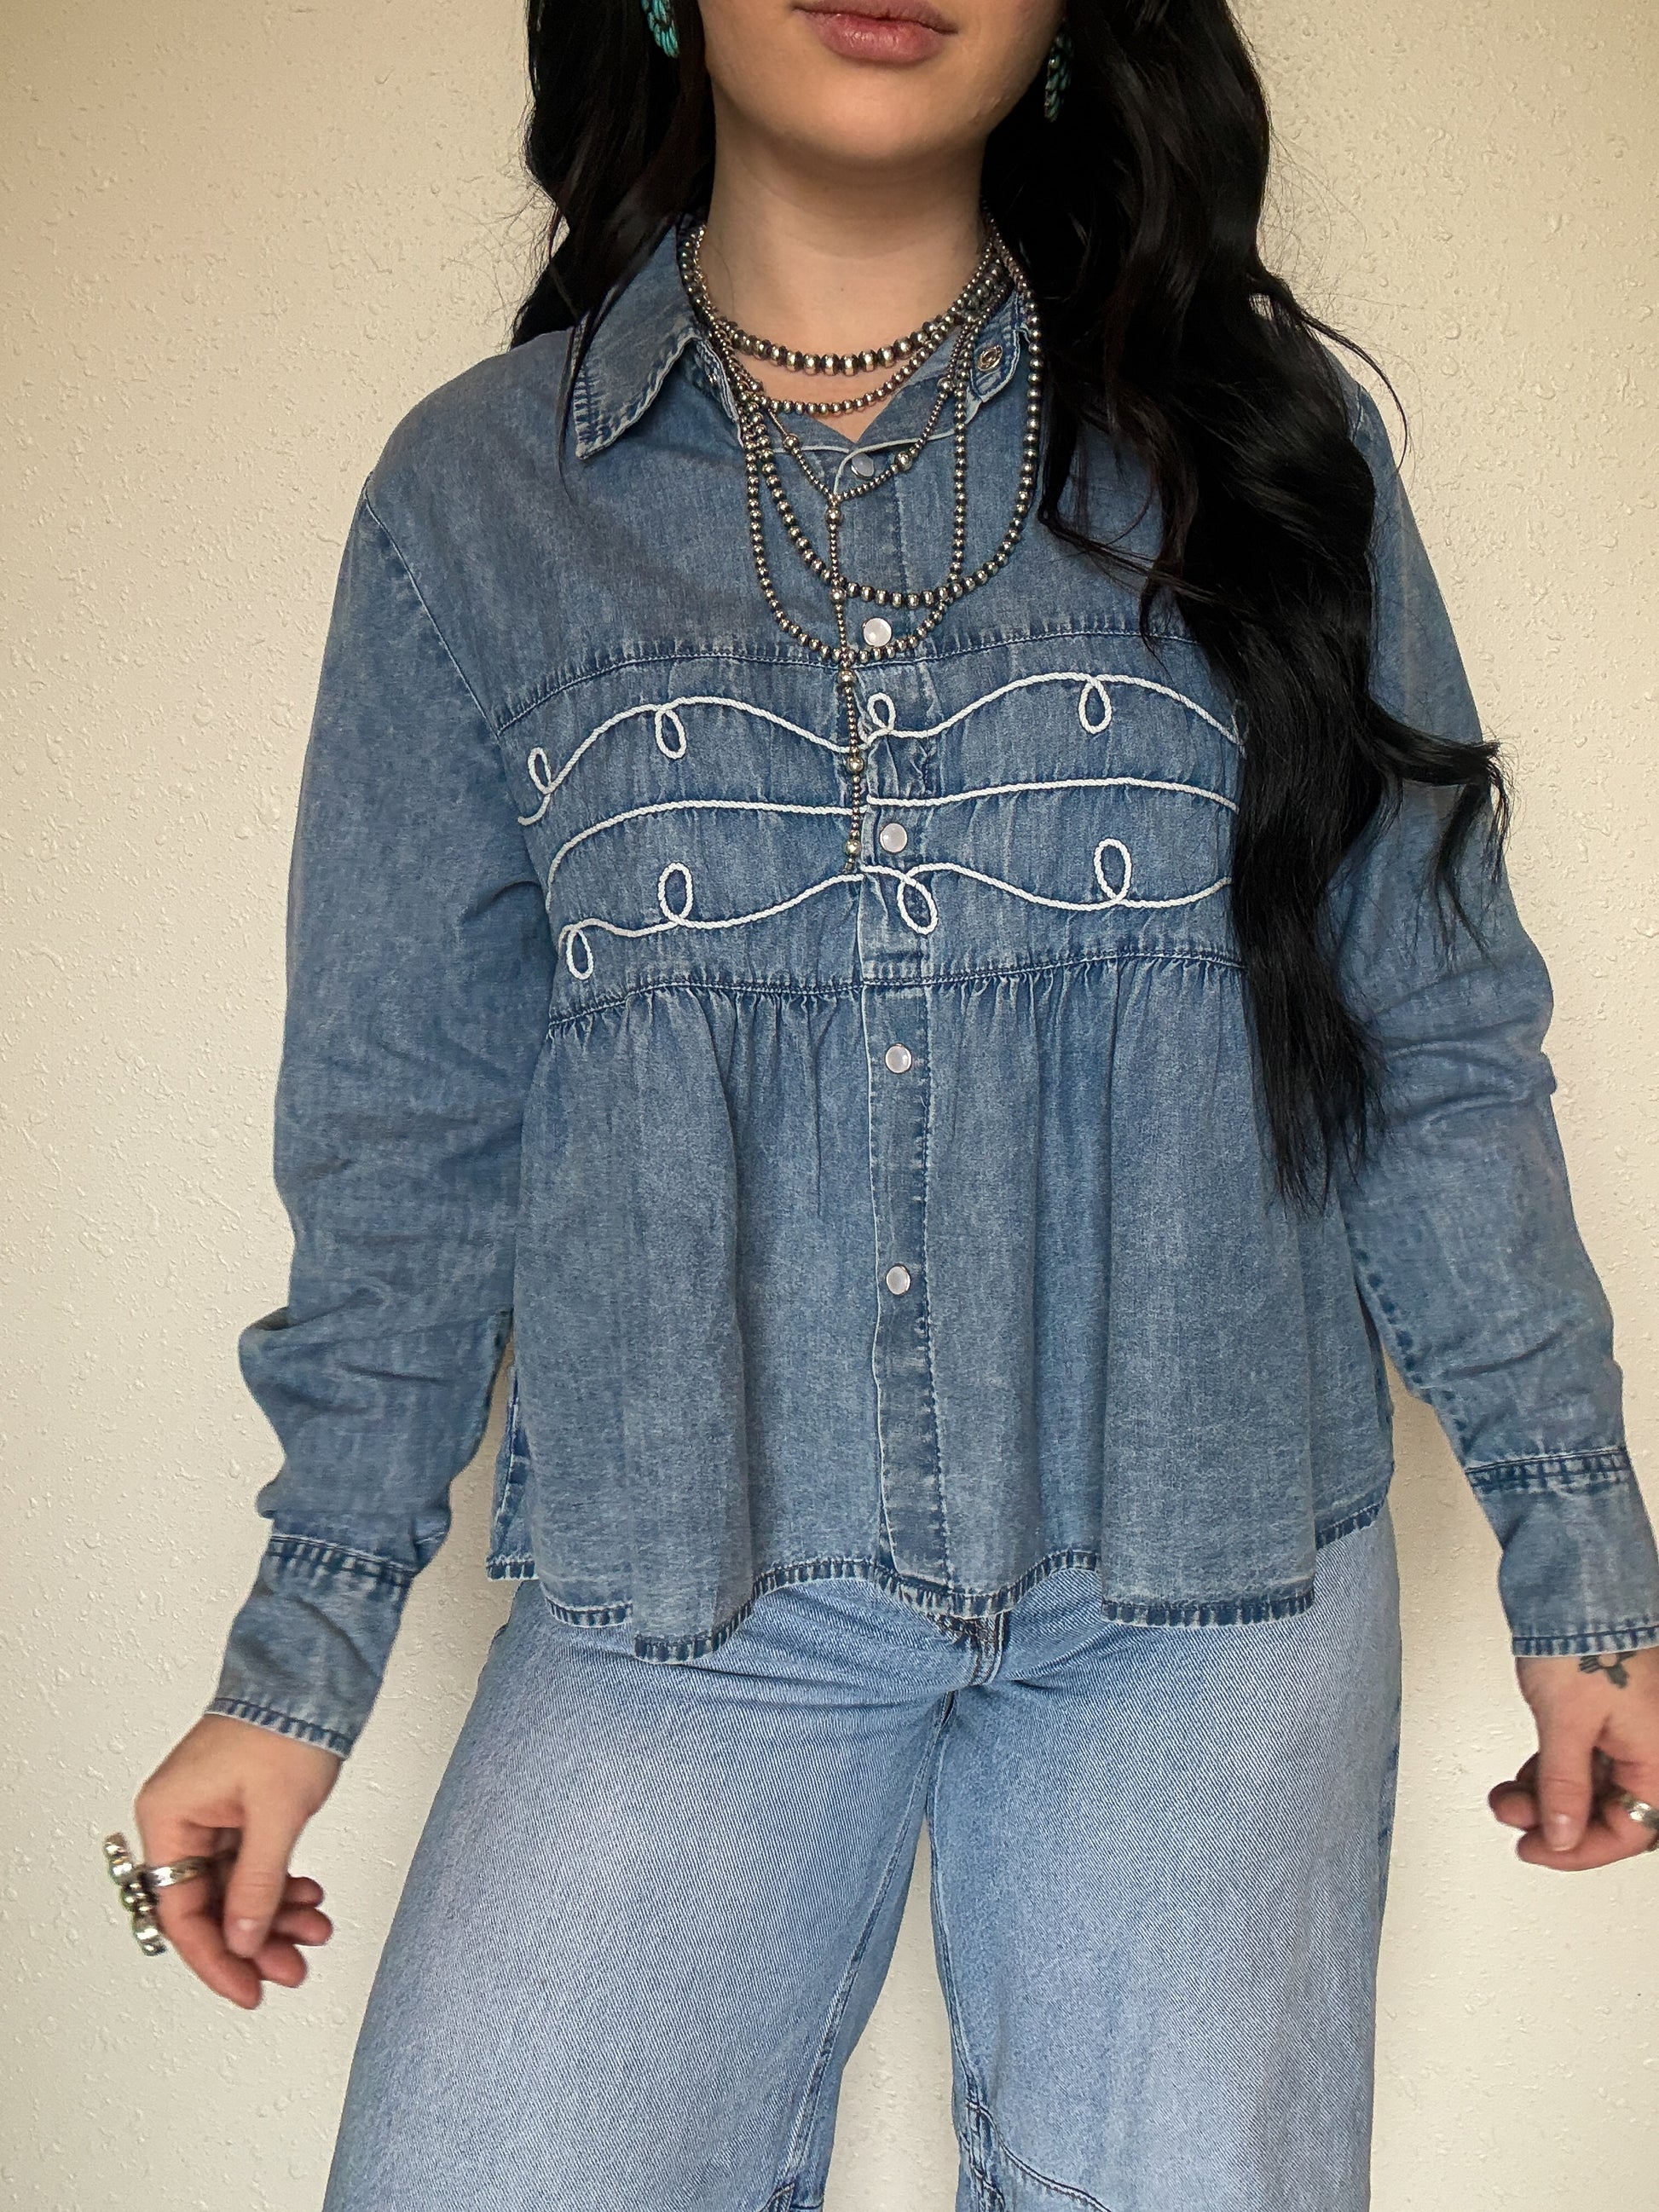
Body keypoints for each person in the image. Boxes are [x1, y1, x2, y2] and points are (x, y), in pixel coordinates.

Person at [115, 3, 1659, 2206]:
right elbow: (407, 1137)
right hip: (696, 1566)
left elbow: (1431, 1027)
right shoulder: (478, 500)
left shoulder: (1261, 448)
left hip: (1214, 1562)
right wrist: (301, 1653)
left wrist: (1577, 1547)